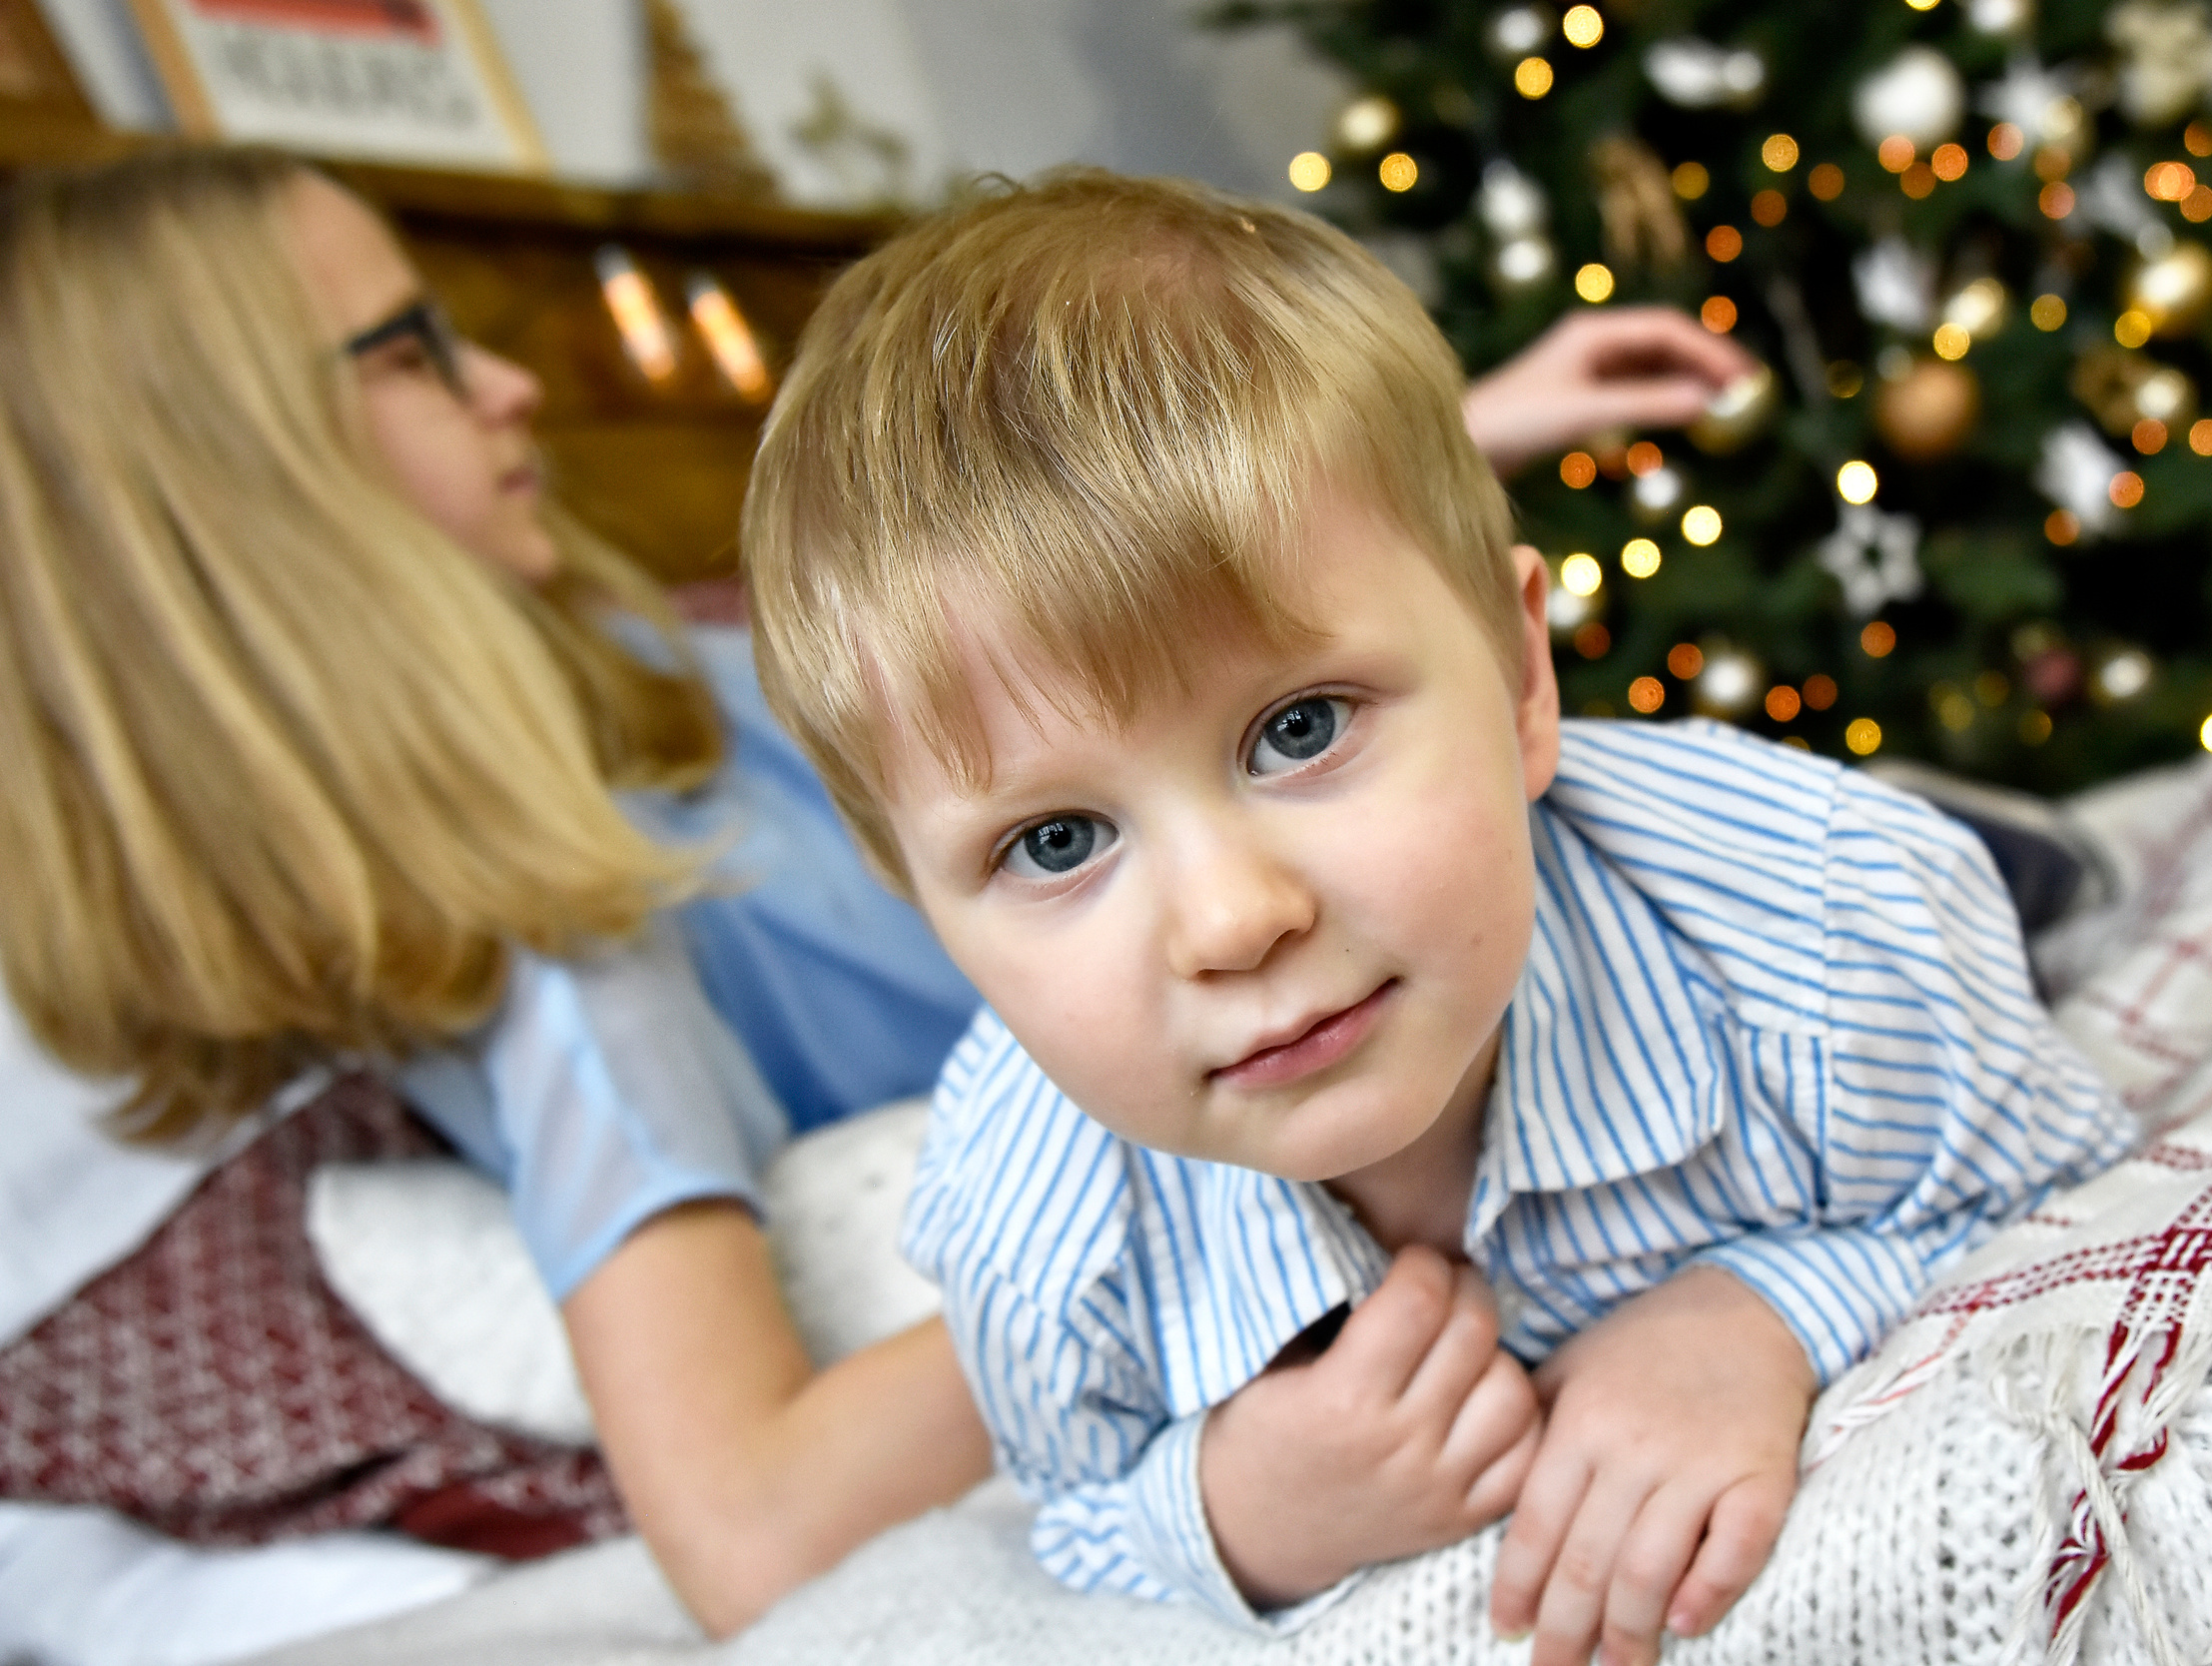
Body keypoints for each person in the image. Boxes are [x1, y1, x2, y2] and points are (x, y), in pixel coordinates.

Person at [0, 147, 1749, 1645]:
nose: (509, 384)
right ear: (228, 491)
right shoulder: (553, 940)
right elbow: (746, 1522)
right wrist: (1270, 1263)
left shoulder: (641, 666)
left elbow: (1065, 630)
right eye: (409, 355)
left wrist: (1465, 420)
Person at [743, 170, 2138, 1666]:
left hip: (1797, 835)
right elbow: (1078, 1505)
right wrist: (1236, 1510)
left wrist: (1759, 1309)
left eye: (1298, 728)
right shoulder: (1024, 1228)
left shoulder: (1823, 916)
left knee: (2020, 884)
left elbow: (2054, 1172)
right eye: (1057, 839)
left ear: (1523, 676)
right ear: (932, 917)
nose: (1230, 921)